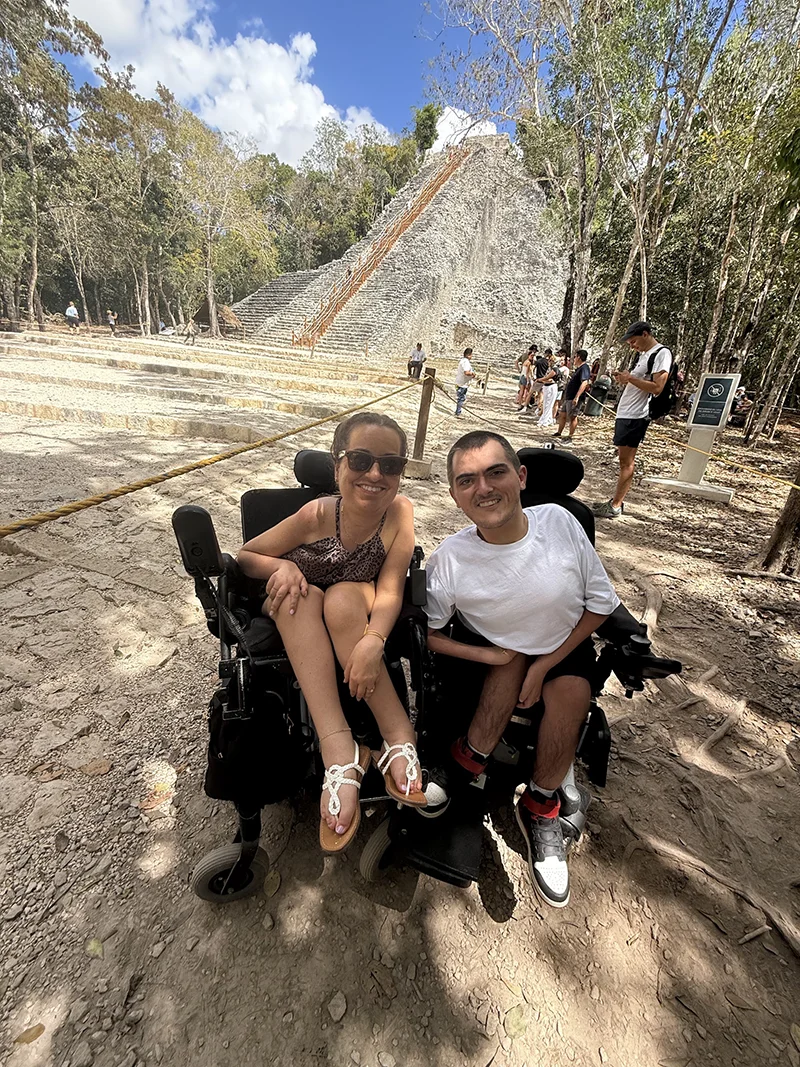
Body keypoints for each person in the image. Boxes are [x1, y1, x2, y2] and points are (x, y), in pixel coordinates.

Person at [423, 431, 620, 907]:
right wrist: (494, 657)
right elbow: (425, 633)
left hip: (563, 643)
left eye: (496, 472)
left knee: (570, 691)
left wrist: (545, 664)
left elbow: (600, 605)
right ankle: (467, 761)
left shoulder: (560, 521)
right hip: (496, 648)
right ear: (454, 494)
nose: (483, 488)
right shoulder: (451, 557)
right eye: (466, 480)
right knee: (506, 662)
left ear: (521, 477)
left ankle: (541, 805)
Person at [237, 413, 426, 853]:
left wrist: (373, 641)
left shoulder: (400, 514)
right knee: (298, 596)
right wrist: (283, 565)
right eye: (361, 459)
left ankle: (399, 733)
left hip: (352, 603)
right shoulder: (317, 513)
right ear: (338, 465)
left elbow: (392, 586)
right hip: (298, 601)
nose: (375, 474)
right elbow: (246, 556)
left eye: (391, 464)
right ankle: (340, 749)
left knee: (341, 598)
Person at [592, 320, 672, 519]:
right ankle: (615, 501)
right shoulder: (644, 355)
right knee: (622, 460)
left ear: (645, 334)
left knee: (626, 463)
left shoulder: (661, 354)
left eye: (634, 341)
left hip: (636, 415)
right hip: (626, 413)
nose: (632, 346)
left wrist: (630, 378)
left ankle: (616, 505)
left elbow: (657, 387)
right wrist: (625, 379)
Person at [554, 349, 592, 443]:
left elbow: (584, 382)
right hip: (569, 396)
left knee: (573, 417)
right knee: (562, 414)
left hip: (574, 397)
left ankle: (570, 437)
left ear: (579, 357)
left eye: (575, 357)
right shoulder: (578, 368)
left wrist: (577, 397)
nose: (573, 359)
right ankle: (559, 432)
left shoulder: (584, 368)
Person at [454, 347, 475, 416]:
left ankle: (458, 411)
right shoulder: (466, 362)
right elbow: (466, 372)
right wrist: (472, 374)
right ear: (468, 355)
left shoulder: (462, 361)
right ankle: (458, 412)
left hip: (459, 382)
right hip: (462, 384)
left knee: (460, 398)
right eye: (471, 354)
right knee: (461, 398)